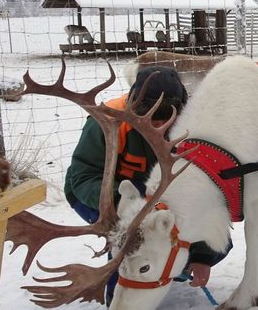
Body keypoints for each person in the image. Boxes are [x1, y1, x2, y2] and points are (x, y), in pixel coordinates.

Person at [65, 66, 229, 304]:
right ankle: (120, 290)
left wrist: (203, 256)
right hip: (110, 199)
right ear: (133, 105)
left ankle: (171, 269)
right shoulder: (108, 119)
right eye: (149, 116)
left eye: (166, 118)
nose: (158, 125)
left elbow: (209, 195)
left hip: (163, 201)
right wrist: (124, 204)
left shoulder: (196, 128)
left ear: (182, 110)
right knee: (131, 237)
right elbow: (83, 177)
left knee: (219, 243)